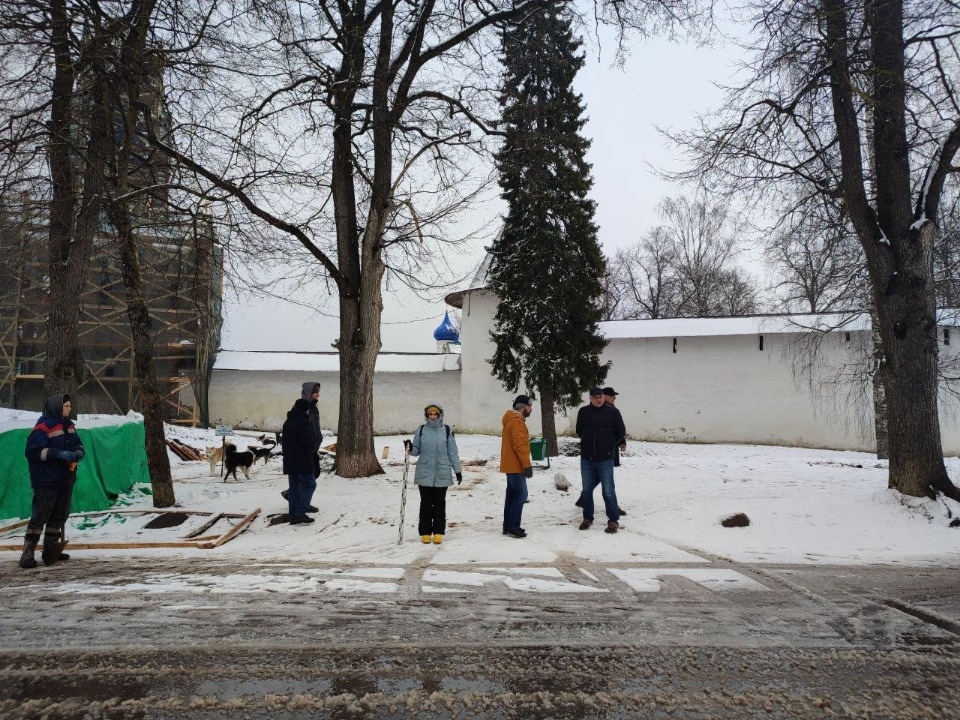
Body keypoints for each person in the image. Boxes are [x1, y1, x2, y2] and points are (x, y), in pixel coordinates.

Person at [21, 394, 86, 568]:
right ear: (57, 407)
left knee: (60, 514)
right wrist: (56, 453)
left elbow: (78, 443)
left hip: (66, 477)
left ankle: (50, 550)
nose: (69, 408)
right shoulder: (43, 427)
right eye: (66, 406)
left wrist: (79, 452)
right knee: (41, 514)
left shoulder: (69, 426)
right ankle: (27, 552)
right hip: (47, 479)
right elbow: (33, 451)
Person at [406, 403, 462, 544]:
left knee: (439, 503)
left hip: (442, 471)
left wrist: (458, 470)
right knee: (425, 503)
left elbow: (452, 452)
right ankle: (425, 532)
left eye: (435, 414)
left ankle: (438, 532)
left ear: (439, 414)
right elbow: (416, 450)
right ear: (427, 415)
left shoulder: (447, 430)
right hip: (424, 471)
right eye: (430, 414)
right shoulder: (422, 429)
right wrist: (410, 447)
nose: (432, 416)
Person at [576, 387, 626, 534]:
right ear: (590, 398)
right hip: (587, 458)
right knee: (586, 490)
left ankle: (613, 520)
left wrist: (610, 444)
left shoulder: (613, 412)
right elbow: (580, 430)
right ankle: (587, 517)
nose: (598, 400)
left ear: (603, 397)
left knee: (608, 491)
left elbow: (620, 431)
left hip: (605, 459)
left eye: (600, 397)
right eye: (595, 397)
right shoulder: (583, 412)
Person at [500, 394, 534, 538]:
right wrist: (527, 465)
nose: (531, 409)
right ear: (522, 407)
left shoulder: (512, 420)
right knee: (521, 495)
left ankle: (507, 525)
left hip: (511, 465)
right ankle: (513, 526)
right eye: (529, 406)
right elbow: (519, 446)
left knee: (512, 495)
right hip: (516, 466)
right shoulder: (517, 422)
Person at [281, 398, 319, 524]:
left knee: (294, 486)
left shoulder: (288, 421)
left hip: (290, 460)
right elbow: (310, 442)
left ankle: (293, 513)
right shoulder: (303, 421)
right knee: (310, 484)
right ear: (306, 409)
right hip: (302, 460)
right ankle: (300, 513)